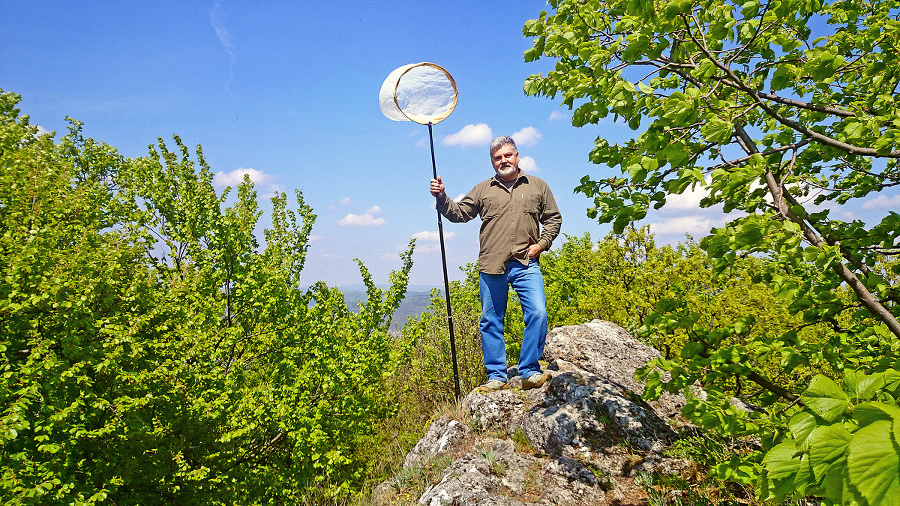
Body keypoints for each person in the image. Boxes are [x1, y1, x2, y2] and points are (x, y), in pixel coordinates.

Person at [429, 136, 562, 392]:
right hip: (492, 265)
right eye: (498, 158)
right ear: (492, 162)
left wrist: (542, 244)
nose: (504, 161)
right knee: (491, 321)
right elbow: (459, 214)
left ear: (517, 156)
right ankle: (496, 376)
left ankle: (530, 371)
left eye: (508, 155)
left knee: (538, 313)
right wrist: (442, 196)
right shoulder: (483, 189)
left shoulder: (538, 186)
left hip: (526, 263)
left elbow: (553, 219)